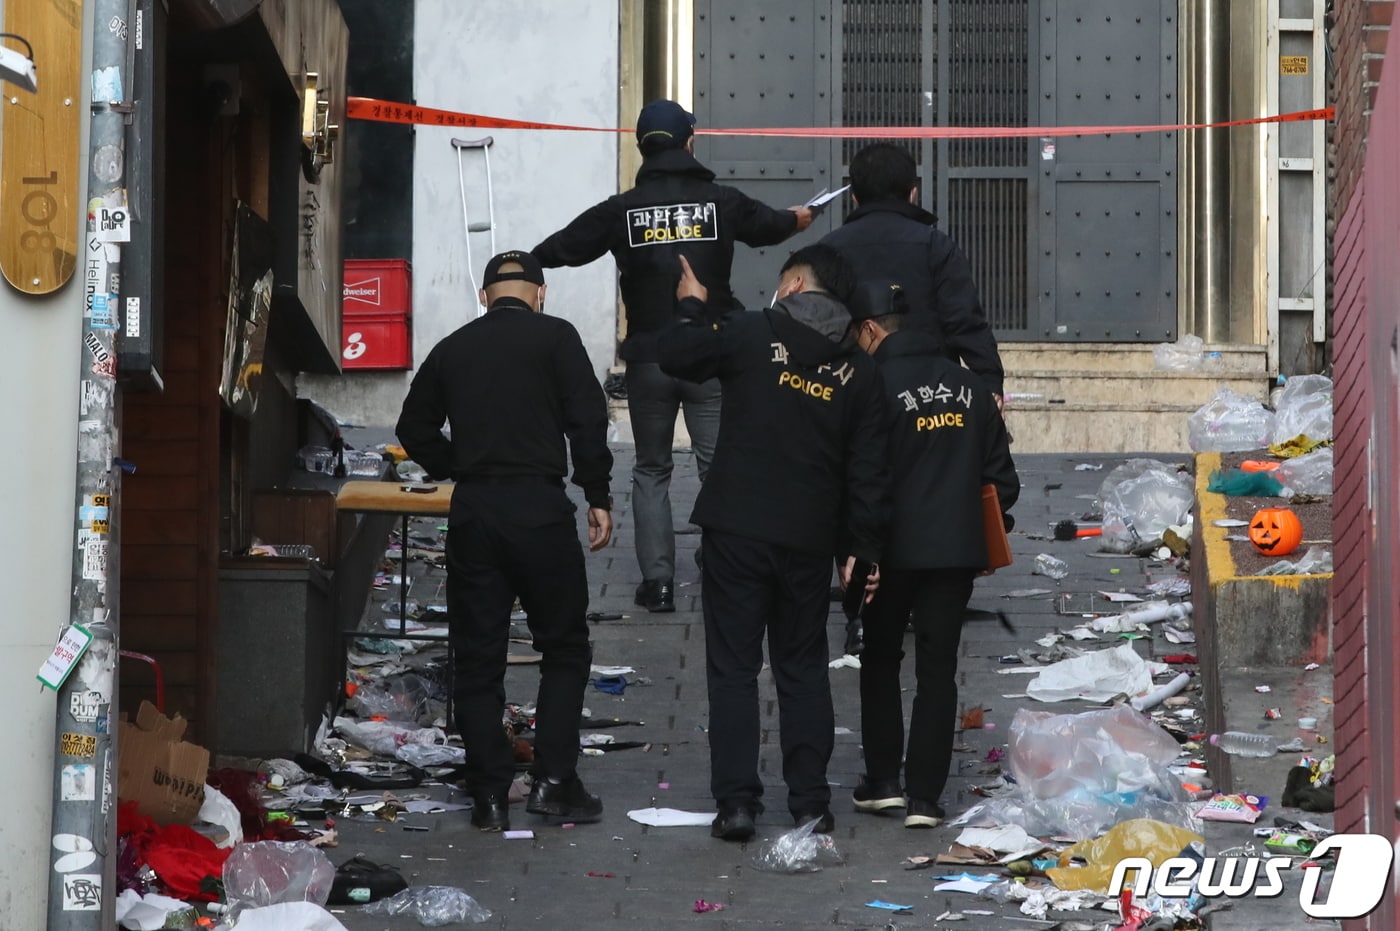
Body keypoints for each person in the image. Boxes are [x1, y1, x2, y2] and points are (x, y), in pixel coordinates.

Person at [533, 99, 814, 613]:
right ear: (690, 142)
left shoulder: (623, 210)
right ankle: (723, 562)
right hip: (711, 355)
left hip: (649, 361)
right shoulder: (720, 201)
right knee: (718, 465)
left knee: (651, 468)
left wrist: (524, 264)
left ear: (643, 147)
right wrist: (800, 219)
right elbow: (770, 225)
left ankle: (658, 582)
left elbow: (565, 246)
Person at [657, 244, 890, 841]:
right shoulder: (858, 370)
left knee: (733, 669)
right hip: (807, 538)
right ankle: (810, 802)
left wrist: (690, 306)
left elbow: (678, 356)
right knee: (803, 668)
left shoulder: (751, 333)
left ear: (793, 285)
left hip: (737, 527)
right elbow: (867, 475)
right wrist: (861, 552)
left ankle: (737, 803)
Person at [395, 251, 614, 833]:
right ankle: (554, 781)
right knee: (564, 647)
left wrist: (457, 463)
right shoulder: (557, 338)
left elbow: (412, 428)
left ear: (486, 295)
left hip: (476, 512)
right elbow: (588, 420)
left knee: (478, 658)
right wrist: (597, 493)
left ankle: (489, 794)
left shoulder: (455, 346)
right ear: (539, 293)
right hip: (540, 509)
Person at [842, 279, 1019, 829]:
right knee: (938, 668)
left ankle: (883, 782)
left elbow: (859, 476)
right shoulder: (969, 388)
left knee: (880, 659)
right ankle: (925, 796)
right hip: (955, 551)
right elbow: (1003, 483)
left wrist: (856, 548)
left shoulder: (869, 385)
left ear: (872, 331)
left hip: (888, 552)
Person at [820, 142, 1005, 402]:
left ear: (855, 198)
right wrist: (990, 382)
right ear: (913, 193)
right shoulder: (935, 245)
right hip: (929, 397)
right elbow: (965, 322)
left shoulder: (827, 249)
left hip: (849, 392)